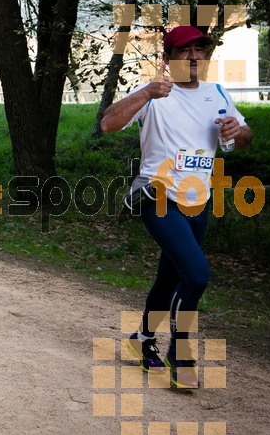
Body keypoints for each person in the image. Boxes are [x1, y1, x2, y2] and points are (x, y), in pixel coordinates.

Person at [100, 25, 253, 389]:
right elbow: (107, 124)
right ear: (168, 59)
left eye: (201, 50)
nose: (195, 57)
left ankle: (142, 339)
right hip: (157, 195)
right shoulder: (154, 94)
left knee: (171, 276)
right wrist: (144, 93)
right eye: (186, 51)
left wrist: (236, 131)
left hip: (198, 201)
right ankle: (180, 353)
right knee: (197, 274)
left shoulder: (217, 94)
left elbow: (245, 138)